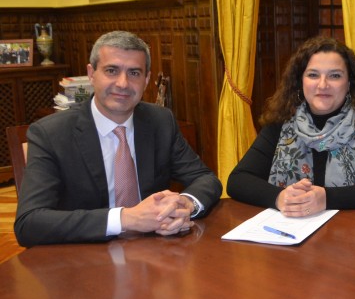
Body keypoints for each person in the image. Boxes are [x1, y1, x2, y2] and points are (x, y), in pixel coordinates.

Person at [14, 31, 222, 247]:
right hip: (84, 258)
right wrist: (124, 219)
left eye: (134, 73)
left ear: (147, 79)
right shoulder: (51, 134)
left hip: (155, 252)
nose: (123, 83)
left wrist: (185, 204)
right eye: (112, 71)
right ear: (91, 73)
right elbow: (29, 223)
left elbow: (205, 179)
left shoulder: (160, 121)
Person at [227, 35, 355, 215]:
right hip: (291, 235)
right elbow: (237, 180)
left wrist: (327, 198)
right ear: (301, 81)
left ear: (349, 83)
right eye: (313, 75)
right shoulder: (281, 123)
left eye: (334, 76)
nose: (322, 85)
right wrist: (280, 197)